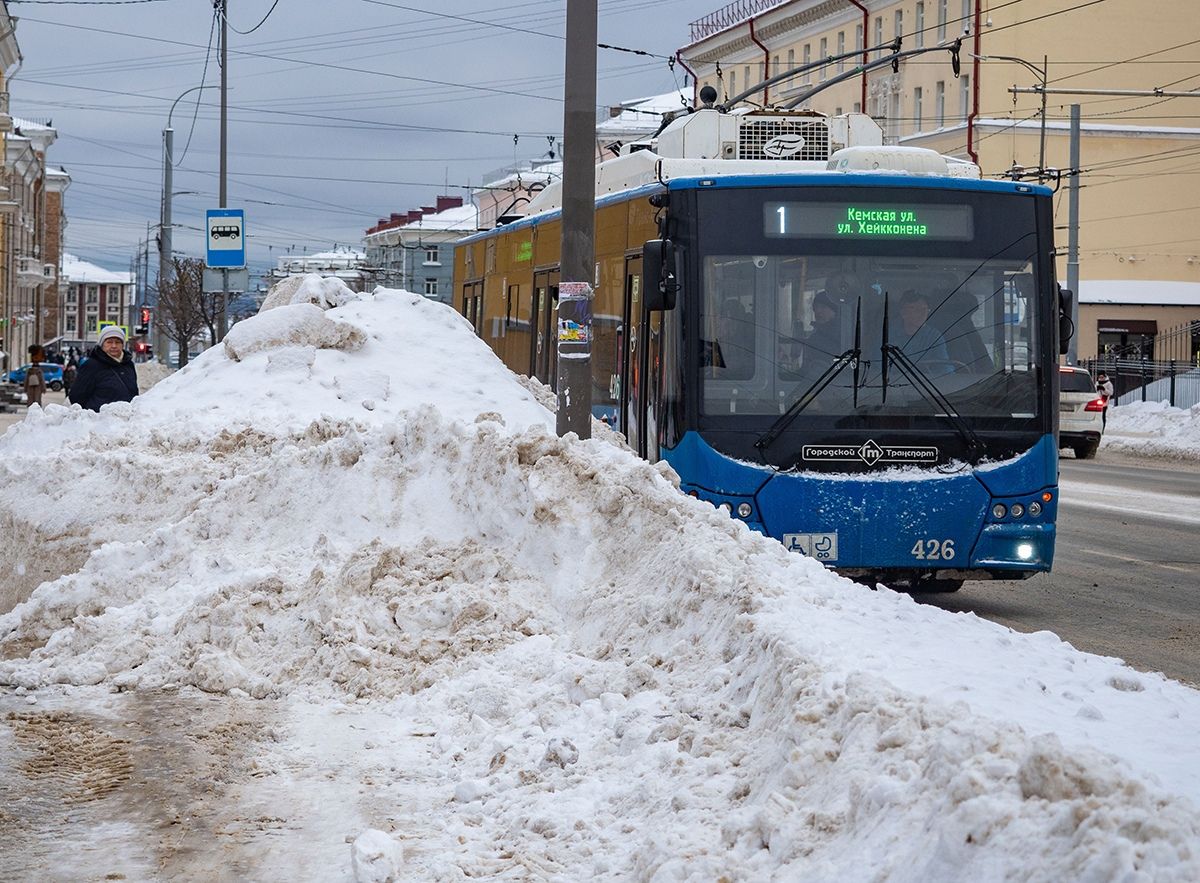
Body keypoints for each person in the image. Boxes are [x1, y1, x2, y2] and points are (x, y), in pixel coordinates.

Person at [69, 325, 139, 412]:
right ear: (102, 344)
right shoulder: (91, 366)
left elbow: (134, 392)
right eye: (109, 342)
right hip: (100, 422)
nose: (114, 346)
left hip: (127, 421)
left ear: (123, 345)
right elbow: (76, 397)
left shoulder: (128, 365)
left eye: (118, 342)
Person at [897, 289, 951, 371]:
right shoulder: (887, 336)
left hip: (928, 383)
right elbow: (879, 369)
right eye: (916, 309)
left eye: (925, 309)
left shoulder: (934, 336)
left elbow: (945, 370)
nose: (923, 313)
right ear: (903, 312)